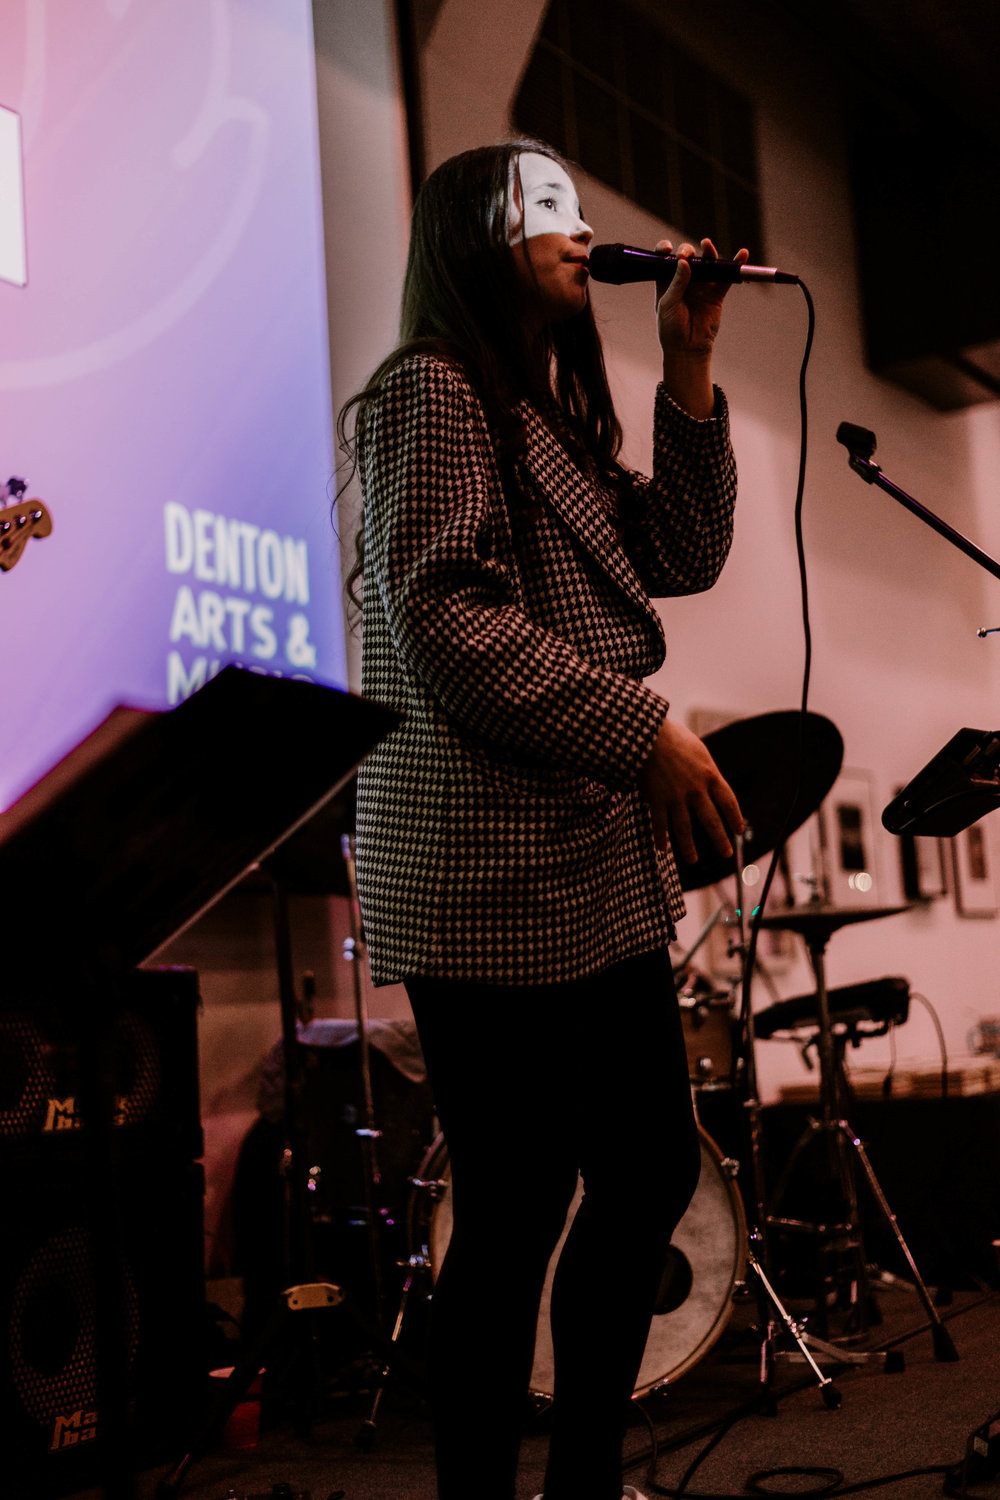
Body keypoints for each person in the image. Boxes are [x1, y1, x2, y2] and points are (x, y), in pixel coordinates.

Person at [339, 138, 744, 1500]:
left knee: (636, 1177)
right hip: (483, 859)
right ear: (474, 235)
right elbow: (445, 615)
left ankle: (578, 1483)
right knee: (513, 1210)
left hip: (581, 861)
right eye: (548, 209)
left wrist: (687, 361)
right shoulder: (430, 391)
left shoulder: (542, 414)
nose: (582, 231)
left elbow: (681, 555)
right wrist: (645, 733)